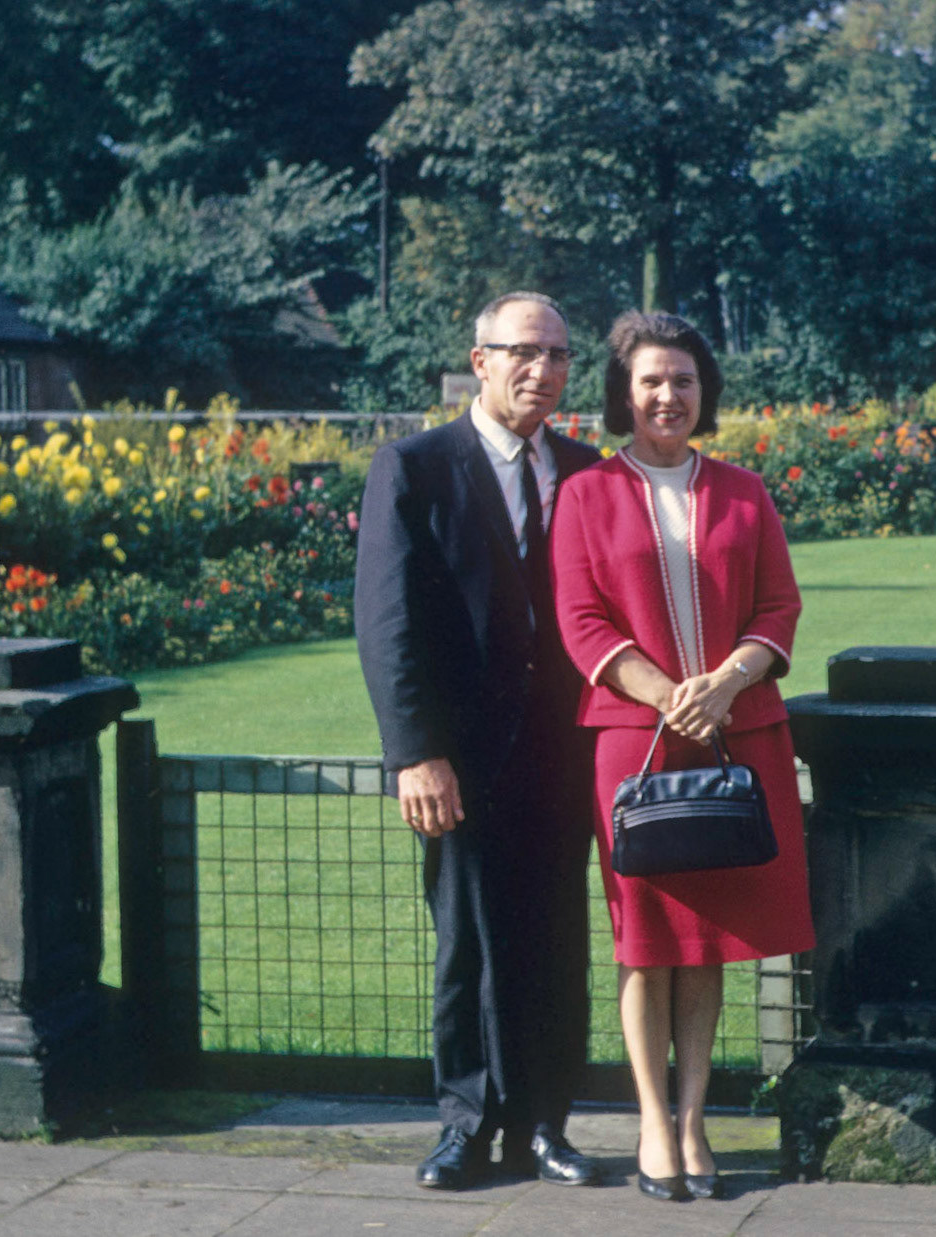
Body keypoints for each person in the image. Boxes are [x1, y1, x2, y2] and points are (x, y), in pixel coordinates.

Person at [551, 310, 814, 1203]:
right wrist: (669, 694)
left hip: (739, 734)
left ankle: (696, 1119)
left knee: (705, 942)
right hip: (636, 743)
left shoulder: (744, 491)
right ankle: (652, 1124)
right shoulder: (585, 494)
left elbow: (778, 606)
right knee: (646, 940)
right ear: (622, 393)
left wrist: (726, 682)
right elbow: (580, 619)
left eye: (684, 379)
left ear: (706, 391)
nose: (669, 395)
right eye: (652, 380)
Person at [355, 291, 604, 1190]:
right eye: (524, 352)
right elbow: (385, 621)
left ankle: (544, 1125)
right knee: (466, 941)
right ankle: (464, 1123)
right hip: (457, 757)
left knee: (556, 939)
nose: (544, 370)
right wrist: (414, 752)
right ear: (480, 361)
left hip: (566, 751)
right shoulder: (416, 466)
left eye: (559, 355)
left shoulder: (585, 469)